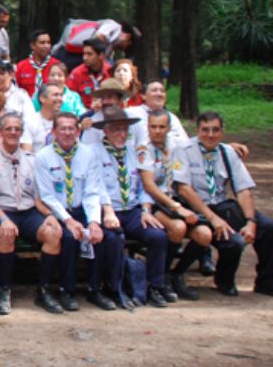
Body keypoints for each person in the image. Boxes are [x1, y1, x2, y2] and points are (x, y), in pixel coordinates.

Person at [173, 111, 273, 296]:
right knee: (234, 241)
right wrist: (213, 218)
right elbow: (184, 189)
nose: (210, 135)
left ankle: (266, 282)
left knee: (267, 228)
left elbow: (243, 189)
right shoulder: (184, 150)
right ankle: (225, 281)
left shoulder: (228, 152)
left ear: (222, 131)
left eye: (215, 130)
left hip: (221, 205)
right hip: (197, 209)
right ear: (198, 130)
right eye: (205, 130)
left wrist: (251, 221)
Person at [0, 114, 64, 315]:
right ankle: (5, 290)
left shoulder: (33, 160)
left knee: (53, 233)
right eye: (9, 128)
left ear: (22, 133)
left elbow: (38, 197)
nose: (13, 132)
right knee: (6, 233)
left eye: (17, 129)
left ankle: (44, 290)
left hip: (29, 212)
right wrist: (3, 219)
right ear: (0, 132)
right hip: (3, 210)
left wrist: (49, 215)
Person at [36, 113, 117, 312]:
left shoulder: (88, 154)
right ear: (54, 132)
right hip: (58, 212)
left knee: (101, 237)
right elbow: (47, 196)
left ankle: (95, 289)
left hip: (82, 209)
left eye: (71, 128)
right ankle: (66, 290)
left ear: (78, 131)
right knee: (69, 238)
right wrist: (68, 220)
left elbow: (92, 191)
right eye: (62, 129)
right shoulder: (43, 156)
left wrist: (94, 221)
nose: (67, 133)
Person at [91, 108, 170, 309]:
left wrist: (145, 210)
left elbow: (144, 185)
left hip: (133, 209)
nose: (121, 134)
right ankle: (114, 287)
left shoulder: (134, 152)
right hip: (107, 210)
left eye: (125, 130)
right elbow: (96, 186)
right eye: (116, 129)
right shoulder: (94, 152)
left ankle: (154, 286)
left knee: (157, 236)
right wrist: (108, 211)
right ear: (106, 131)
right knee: (113, 239)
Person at [139, 109, 211, 301]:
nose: (157, 131)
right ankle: (160, 277)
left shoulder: (178, 146)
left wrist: (232, 146)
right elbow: (149, 186)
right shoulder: (143, 149)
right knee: (177, 228)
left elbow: (204, 142)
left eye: (162, 127)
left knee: (204, 235)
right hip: (156, 201)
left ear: (169, 128)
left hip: (178, 199)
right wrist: (177, 208)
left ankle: (177, 274)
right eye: (153, 126)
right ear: (147, 127)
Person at [125, 80, 188, 148]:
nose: (159, 94)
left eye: (162, 91)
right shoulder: (131, 114)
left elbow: (185, 144)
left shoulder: (172, 118)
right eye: (154, 90)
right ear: (143, 96)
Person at [67, 38, 111, 109]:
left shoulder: (110, 72)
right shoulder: (77, 73)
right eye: (84, 54)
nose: (85, 58)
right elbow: (69, 98)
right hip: (83, 112)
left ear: (101, 55)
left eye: (89, 54)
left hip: (107, 112)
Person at [15, 29, 61, 98]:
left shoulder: (57, 65)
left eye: (48, 42)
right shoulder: (21, 66)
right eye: (42, 43)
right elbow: (15, 89)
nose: (46, 46)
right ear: (32, 45)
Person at [26, 82, 63, 151]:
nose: (60, 99)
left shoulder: (65, 122)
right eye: (55, 95)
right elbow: (26, 152)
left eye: (61, 95)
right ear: (42, 98)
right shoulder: (30, 121)